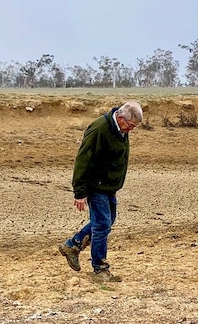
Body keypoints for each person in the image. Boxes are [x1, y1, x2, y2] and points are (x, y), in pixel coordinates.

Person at [58, 101, 143, 283]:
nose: (131, 130)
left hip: (109, 186)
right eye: (130, 126)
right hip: (96, 185)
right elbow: (82, 159)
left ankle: (73, 245)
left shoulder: (120, 129)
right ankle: (100, 269)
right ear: (121, 118)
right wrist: (79, 192)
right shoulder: (99, 129)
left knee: (106, 221)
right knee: (102, 224)